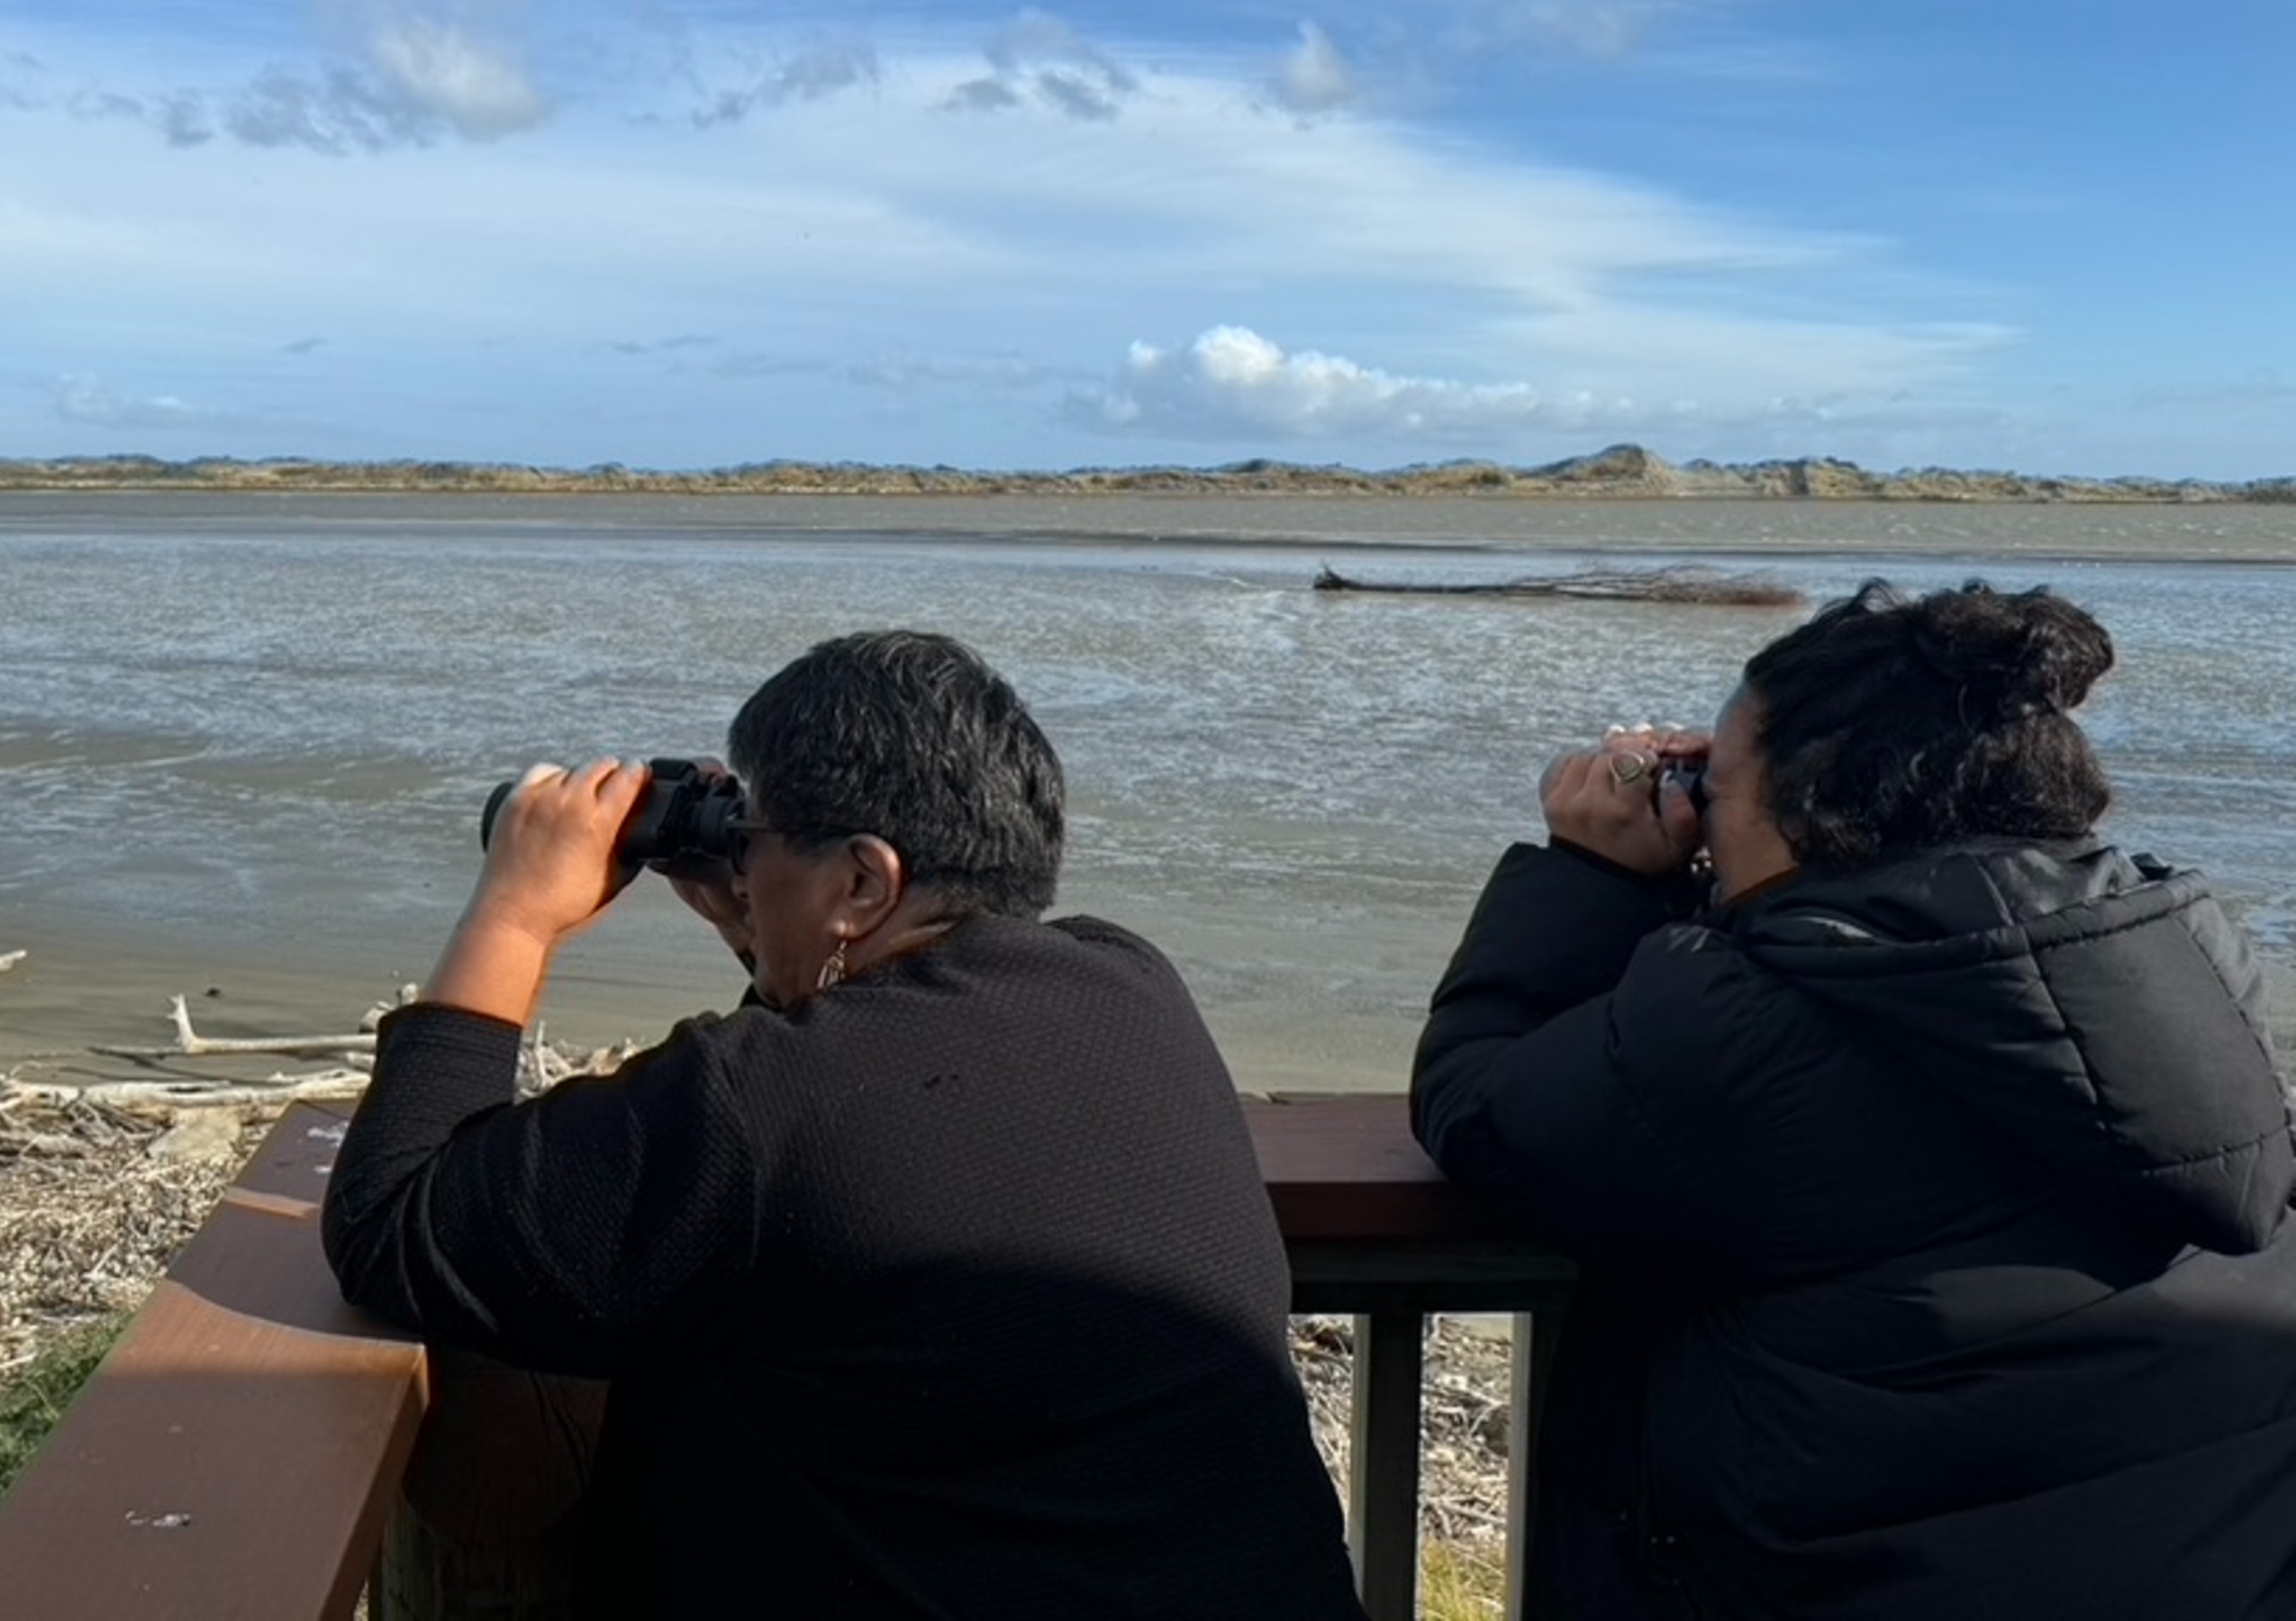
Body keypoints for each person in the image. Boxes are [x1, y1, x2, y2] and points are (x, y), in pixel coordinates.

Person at [322, 629, 1367, 1619]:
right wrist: (769, 921)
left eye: (754, 838)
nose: (737, 864)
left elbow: (394, 1217)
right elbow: (859, 1074)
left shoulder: (758, 1104)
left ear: (863, 880)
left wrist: (512, 911)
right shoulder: (1128, 983)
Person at [1412, 579, 2296, 1618]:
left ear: (1812, 808)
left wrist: (1590, 874)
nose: (1700, 821)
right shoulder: (2178, 957)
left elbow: (1477, 1106)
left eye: (1718, 785)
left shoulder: (1734, 1029)